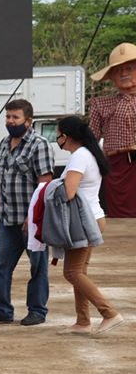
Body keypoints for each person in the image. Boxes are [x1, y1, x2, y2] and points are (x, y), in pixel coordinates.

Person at [0, 99, 53, 326]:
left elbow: (45, 182)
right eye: (8, 117)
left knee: (38, 267)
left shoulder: (39, 145)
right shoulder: (3, 143)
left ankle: (37, 311)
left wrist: (34, 217)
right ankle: (1, 310)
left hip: (32, 221)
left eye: (15, 117)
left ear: (28, 121)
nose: (10, 121)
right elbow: (1, 175)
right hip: (8, 218)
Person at [53, 116, 126, 335]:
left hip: (82, 221)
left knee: (72, 272)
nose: (57, 138)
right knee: (79, 271)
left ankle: (109, 313)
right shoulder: (88, 154)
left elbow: (69, 192)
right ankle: (83, 321)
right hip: (93, 217)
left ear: (66, 136)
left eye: (58, 134)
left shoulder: (79, 157)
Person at [88, 42, 136, 218]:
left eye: (129, 68)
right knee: (118, 216)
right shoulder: (101, 104)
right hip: (116, 167)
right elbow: (90, 140)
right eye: (118, 70)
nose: (124, 73)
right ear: (111, 77)